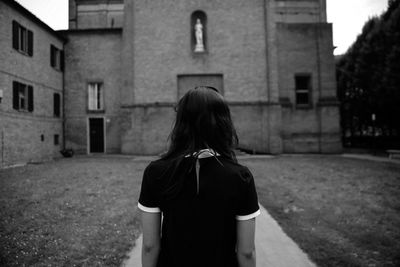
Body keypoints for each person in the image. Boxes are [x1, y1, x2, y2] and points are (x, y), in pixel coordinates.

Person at [138, 86, 260, 267]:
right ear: (223, 123)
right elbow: (247, 252)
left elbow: (149, 246)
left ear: (181, 123)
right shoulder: (240, 177)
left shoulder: (156, 172)